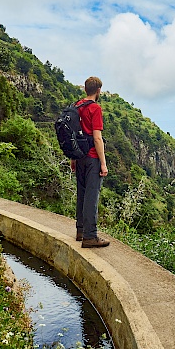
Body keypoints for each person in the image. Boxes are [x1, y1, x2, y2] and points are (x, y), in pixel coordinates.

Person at [71, 76, 110, 248]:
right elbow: (97, 138)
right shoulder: (95, 109)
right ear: (98, 90)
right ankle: (90, 236)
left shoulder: (76, 107)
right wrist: (103, 163)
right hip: (92, 157)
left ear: (85, 89)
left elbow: (72, 135)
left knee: (82, 193)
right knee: (91, 197)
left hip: (79, 156)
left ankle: (80, 231)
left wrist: (73, 157)